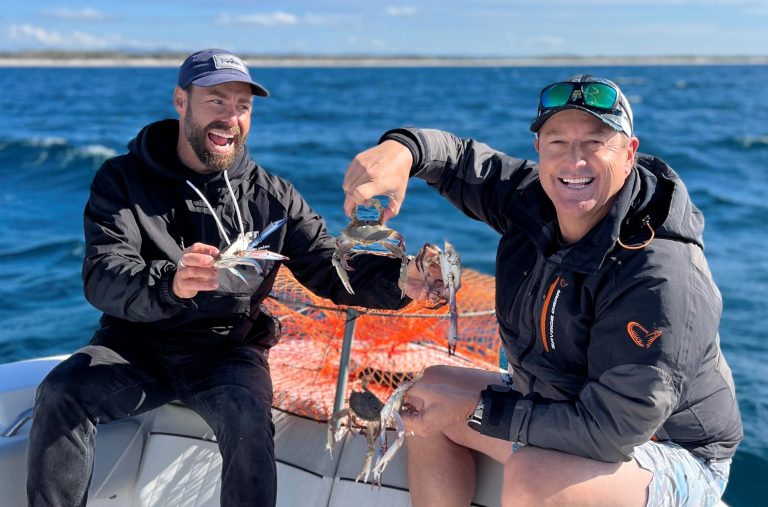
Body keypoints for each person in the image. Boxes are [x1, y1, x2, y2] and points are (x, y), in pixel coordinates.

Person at [25, 48, 431, 507]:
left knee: (246, 415)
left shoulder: (273, 196)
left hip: (226, 351)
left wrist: (403, 281)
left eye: (243, 106)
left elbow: (328, 266)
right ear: (181, 101)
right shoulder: (121, 179)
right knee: (60, 392)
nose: (230, 118)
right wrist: (169, 283)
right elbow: (103, 276)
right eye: (216, 101)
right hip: (134, 344)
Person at [342, 75, 743, 507]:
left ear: (629, 154)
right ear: (539, 151)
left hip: (670, 449)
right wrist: (402, 149)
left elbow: (609, 432)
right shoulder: (534, 199)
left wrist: (474, 410)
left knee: (535, 476)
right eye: (557, 142)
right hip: (561, 404)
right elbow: (458, 160)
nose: (574, 161)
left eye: (595, 142)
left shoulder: (660, 276)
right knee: (429, 396)